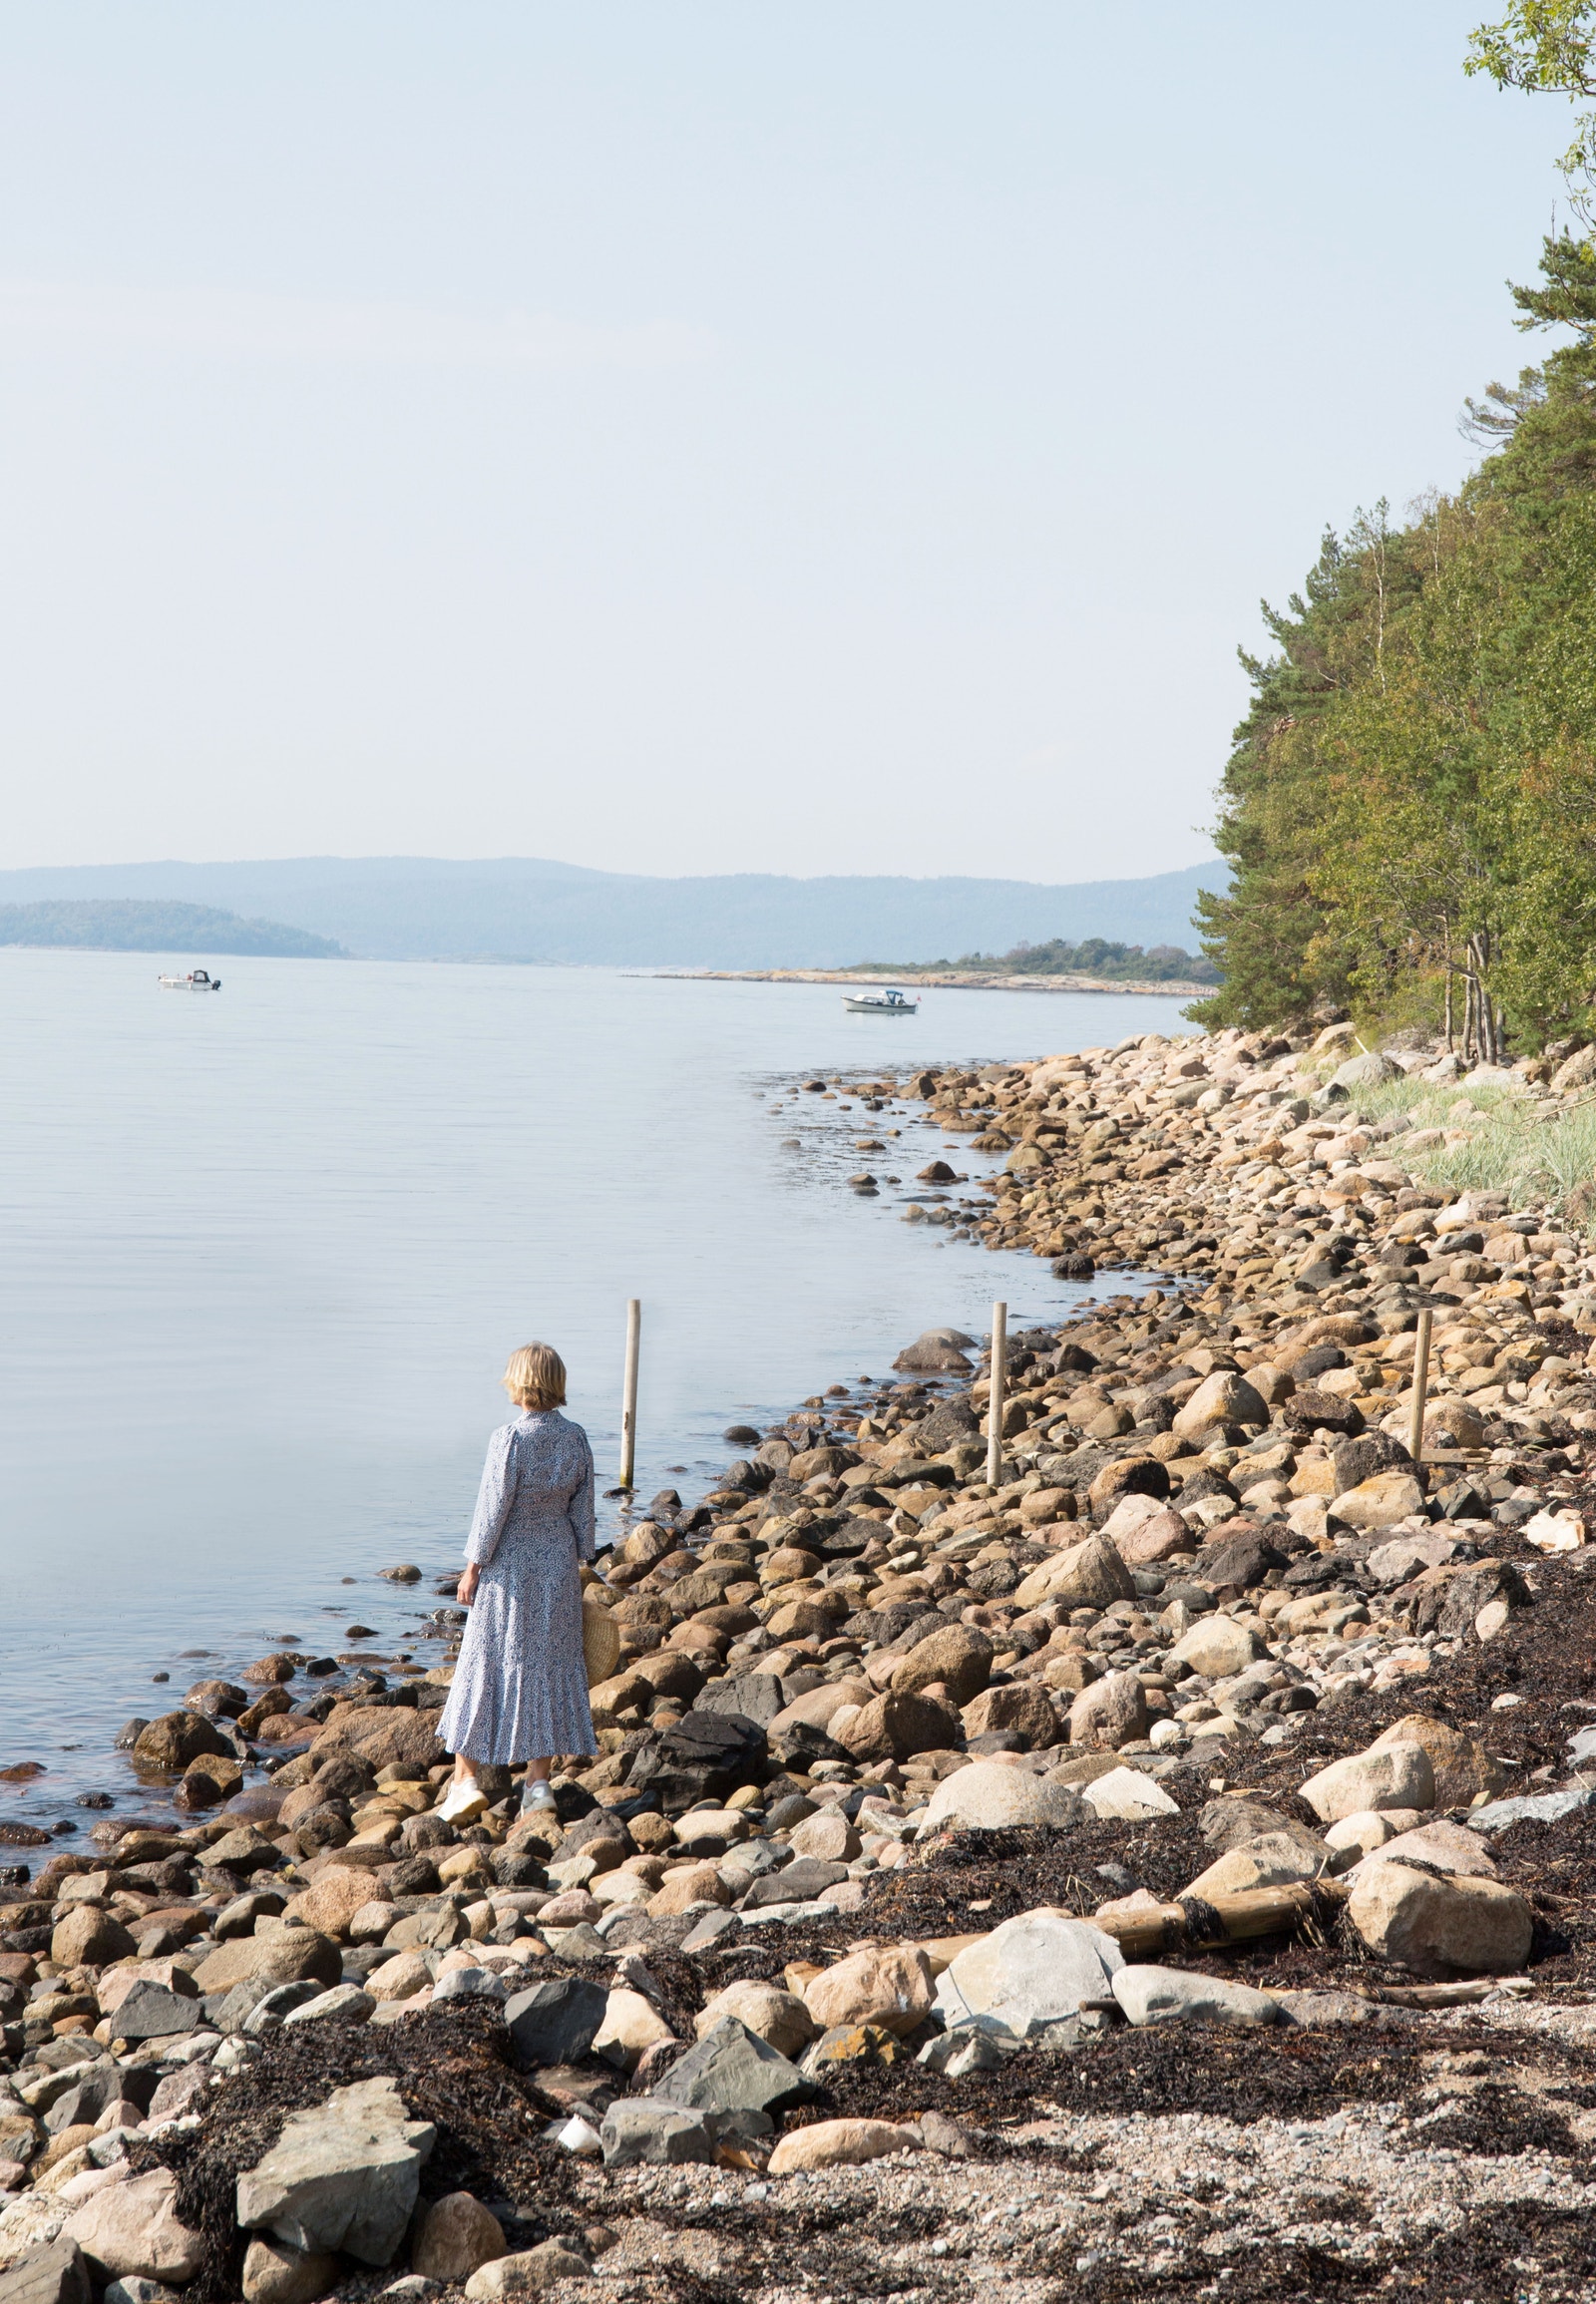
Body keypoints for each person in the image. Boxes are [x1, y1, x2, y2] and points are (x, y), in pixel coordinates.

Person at [436, 1341, 598, 1823]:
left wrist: (472, 1567)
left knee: (485, 1664)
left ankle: (464, 1782)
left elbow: (491, 1511)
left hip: (509, 1571)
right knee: (547, 1667)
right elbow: (584, 1514)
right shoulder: (577, 1438)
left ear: (522, 1382)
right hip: (557, 1567)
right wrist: (581, 1558)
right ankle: (538, 1784)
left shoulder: (510, 1439)